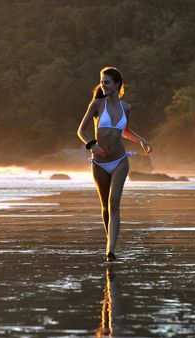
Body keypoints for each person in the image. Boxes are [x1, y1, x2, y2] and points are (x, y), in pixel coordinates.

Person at [77, 67, 152, 262]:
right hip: (100, 163)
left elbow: (124, 131)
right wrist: (92, 146)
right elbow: (81, 131)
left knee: (114, 203)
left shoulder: (126, 107)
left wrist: (142, 140)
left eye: (107, 82)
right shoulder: (96, 104)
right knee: (105, 207)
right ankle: (108, 240)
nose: (103, 85)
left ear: (117, 84)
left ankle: (111, 250)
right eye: (102, 82)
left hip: (120, 161)